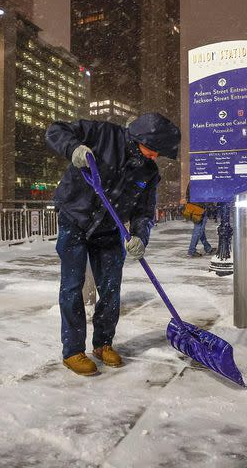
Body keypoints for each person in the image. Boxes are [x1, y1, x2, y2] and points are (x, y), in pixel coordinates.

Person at [46, 113, 181, 376]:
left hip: (109, 228)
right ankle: (73, 350)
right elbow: (55, 130)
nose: (155, 156)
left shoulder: (148, 172)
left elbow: (144, 211)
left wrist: (141, 236)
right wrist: (74, 148)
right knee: (72, 285)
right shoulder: (102, 134)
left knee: (110, 288)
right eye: (153, 150)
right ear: (140, 138)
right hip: (75, 218)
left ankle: (103, 344)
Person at [185, 184, 216, 257]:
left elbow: (188, 194)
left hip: (194, 208)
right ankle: (191, 251)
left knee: (200, 230)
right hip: (200, 209)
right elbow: (206, 195)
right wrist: (210, 205)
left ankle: (208, 248)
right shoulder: (202, 181)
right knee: (198, 230)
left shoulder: (192, 181)